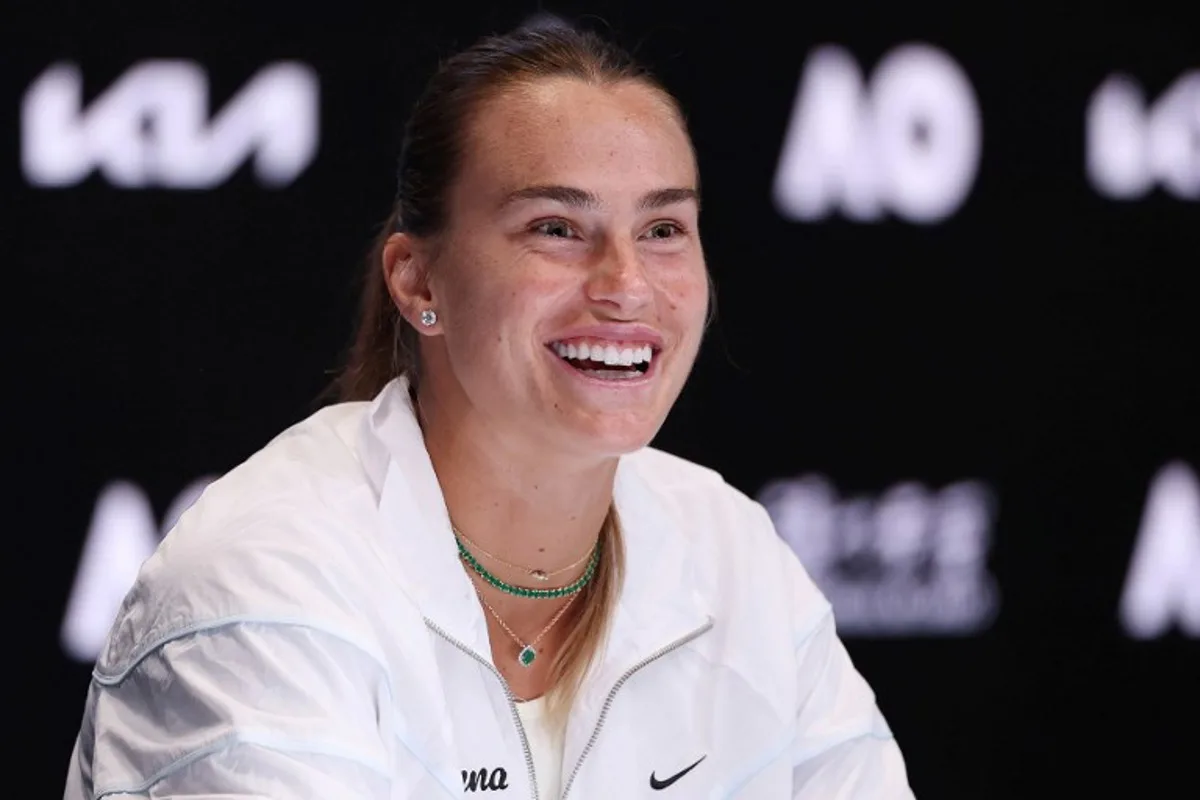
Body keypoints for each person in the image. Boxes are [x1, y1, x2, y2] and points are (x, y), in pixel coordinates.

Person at [64, 19, 915, 800]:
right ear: (418, 280)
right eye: (556, 227)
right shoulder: (265, 577)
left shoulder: (734, 555)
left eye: (662, 230)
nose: (626, 285)